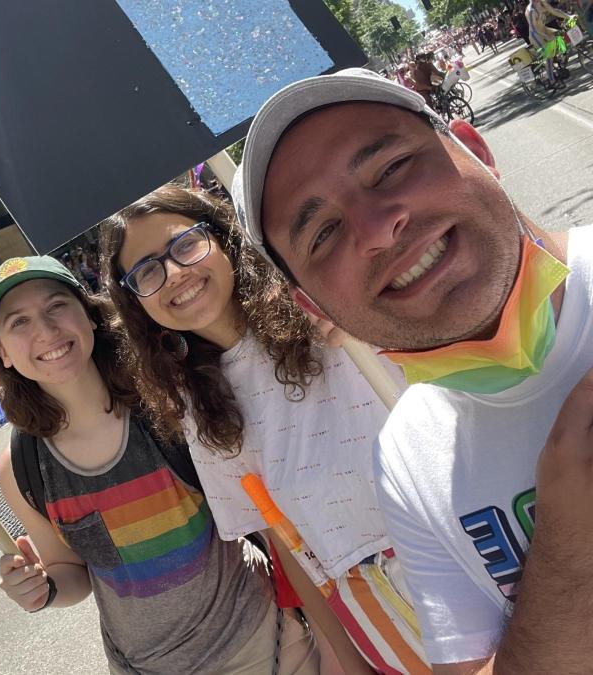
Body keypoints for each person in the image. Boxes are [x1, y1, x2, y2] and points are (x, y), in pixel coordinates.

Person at [234, 66, 593, 672]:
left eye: (391, 168)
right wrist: (573, 553)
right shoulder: (406, 460)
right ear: (313, 307)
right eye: (323, 233)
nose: (378, 231)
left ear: (476, 148)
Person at [98, 185, 427, 674]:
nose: (174, 273)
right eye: (146, 271)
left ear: (223, 237)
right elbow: (288, 546)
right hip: (375, 603)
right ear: (136, 303)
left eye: (185, 244)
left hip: (466, 535)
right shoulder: (199, 412)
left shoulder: (320, 301)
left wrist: (366, 322)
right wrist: (350, 659)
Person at [0, 256, 319, 673]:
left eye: (57, 306)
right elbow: (70, 572)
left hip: (261, 640)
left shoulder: (167, 404)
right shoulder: (20, 468)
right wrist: (44, 590)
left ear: (90, 316)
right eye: (19, 322)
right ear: (2, 354)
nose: (46, 330)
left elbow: (265, 513)